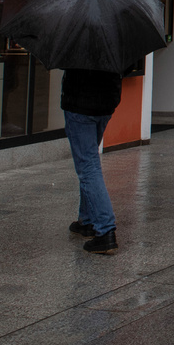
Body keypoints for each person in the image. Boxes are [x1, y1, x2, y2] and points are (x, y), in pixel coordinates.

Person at [62, 68, 123, 255]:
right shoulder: (112, 41)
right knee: (90, 161)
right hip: (105, 103)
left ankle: (105, 230)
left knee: (88, 167)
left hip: (80, 104)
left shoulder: (77, 43)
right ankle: (87, 220)